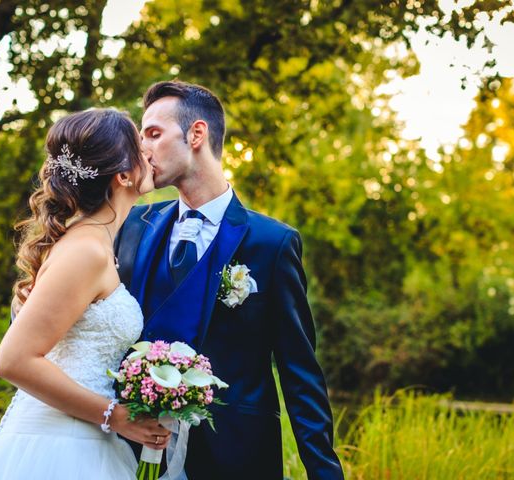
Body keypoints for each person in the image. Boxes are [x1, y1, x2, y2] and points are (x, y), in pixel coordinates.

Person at [115, 81, 344, 479]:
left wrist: (325, 474)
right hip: (130, 451)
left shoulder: (272, 243)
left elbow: (299, 371)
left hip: (234, 458)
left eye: (153, 134)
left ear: (197, 134)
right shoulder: (132, 225)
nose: (142, 150)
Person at [0, 108, 171, 480]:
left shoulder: (95, 245)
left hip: (84, 439)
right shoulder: (84, 251)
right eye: (140, 144)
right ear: (123, 175)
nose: (149, 152)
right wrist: (115, 416)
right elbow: (13, 359)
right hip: (58, 448)